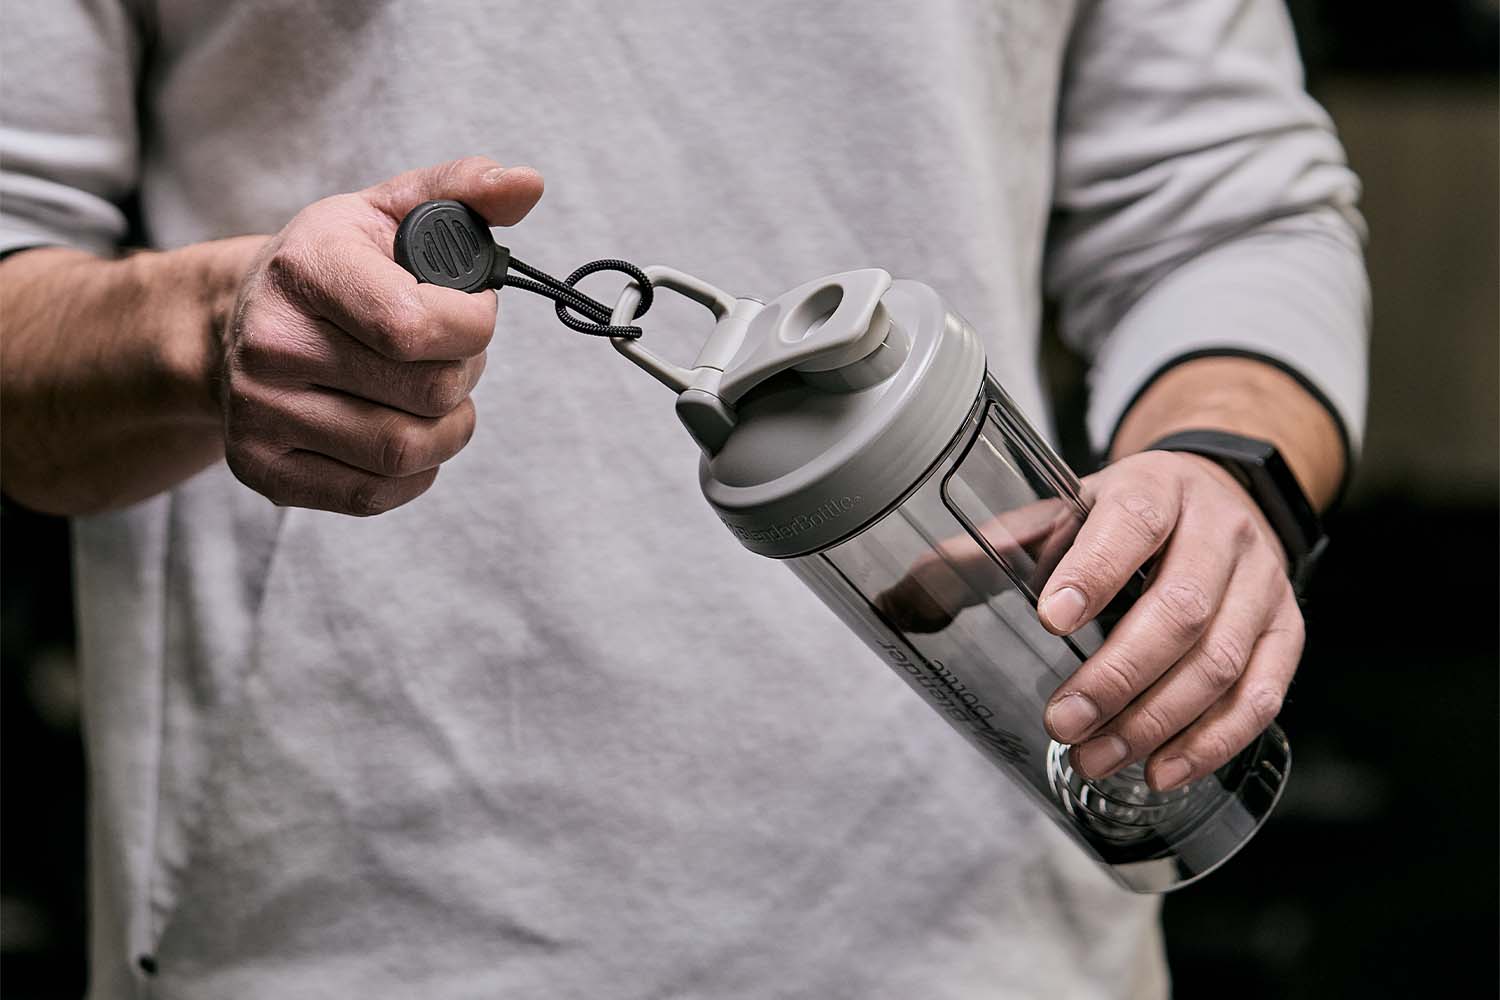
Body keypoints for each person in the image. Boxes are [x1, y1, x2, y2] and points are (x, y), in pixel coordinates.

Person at [0, 1, 1367, 996]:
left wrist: (1225, 468)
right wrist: (205, 328)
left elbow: (1228, 203)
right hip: (336, 932)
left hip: (988, 918)